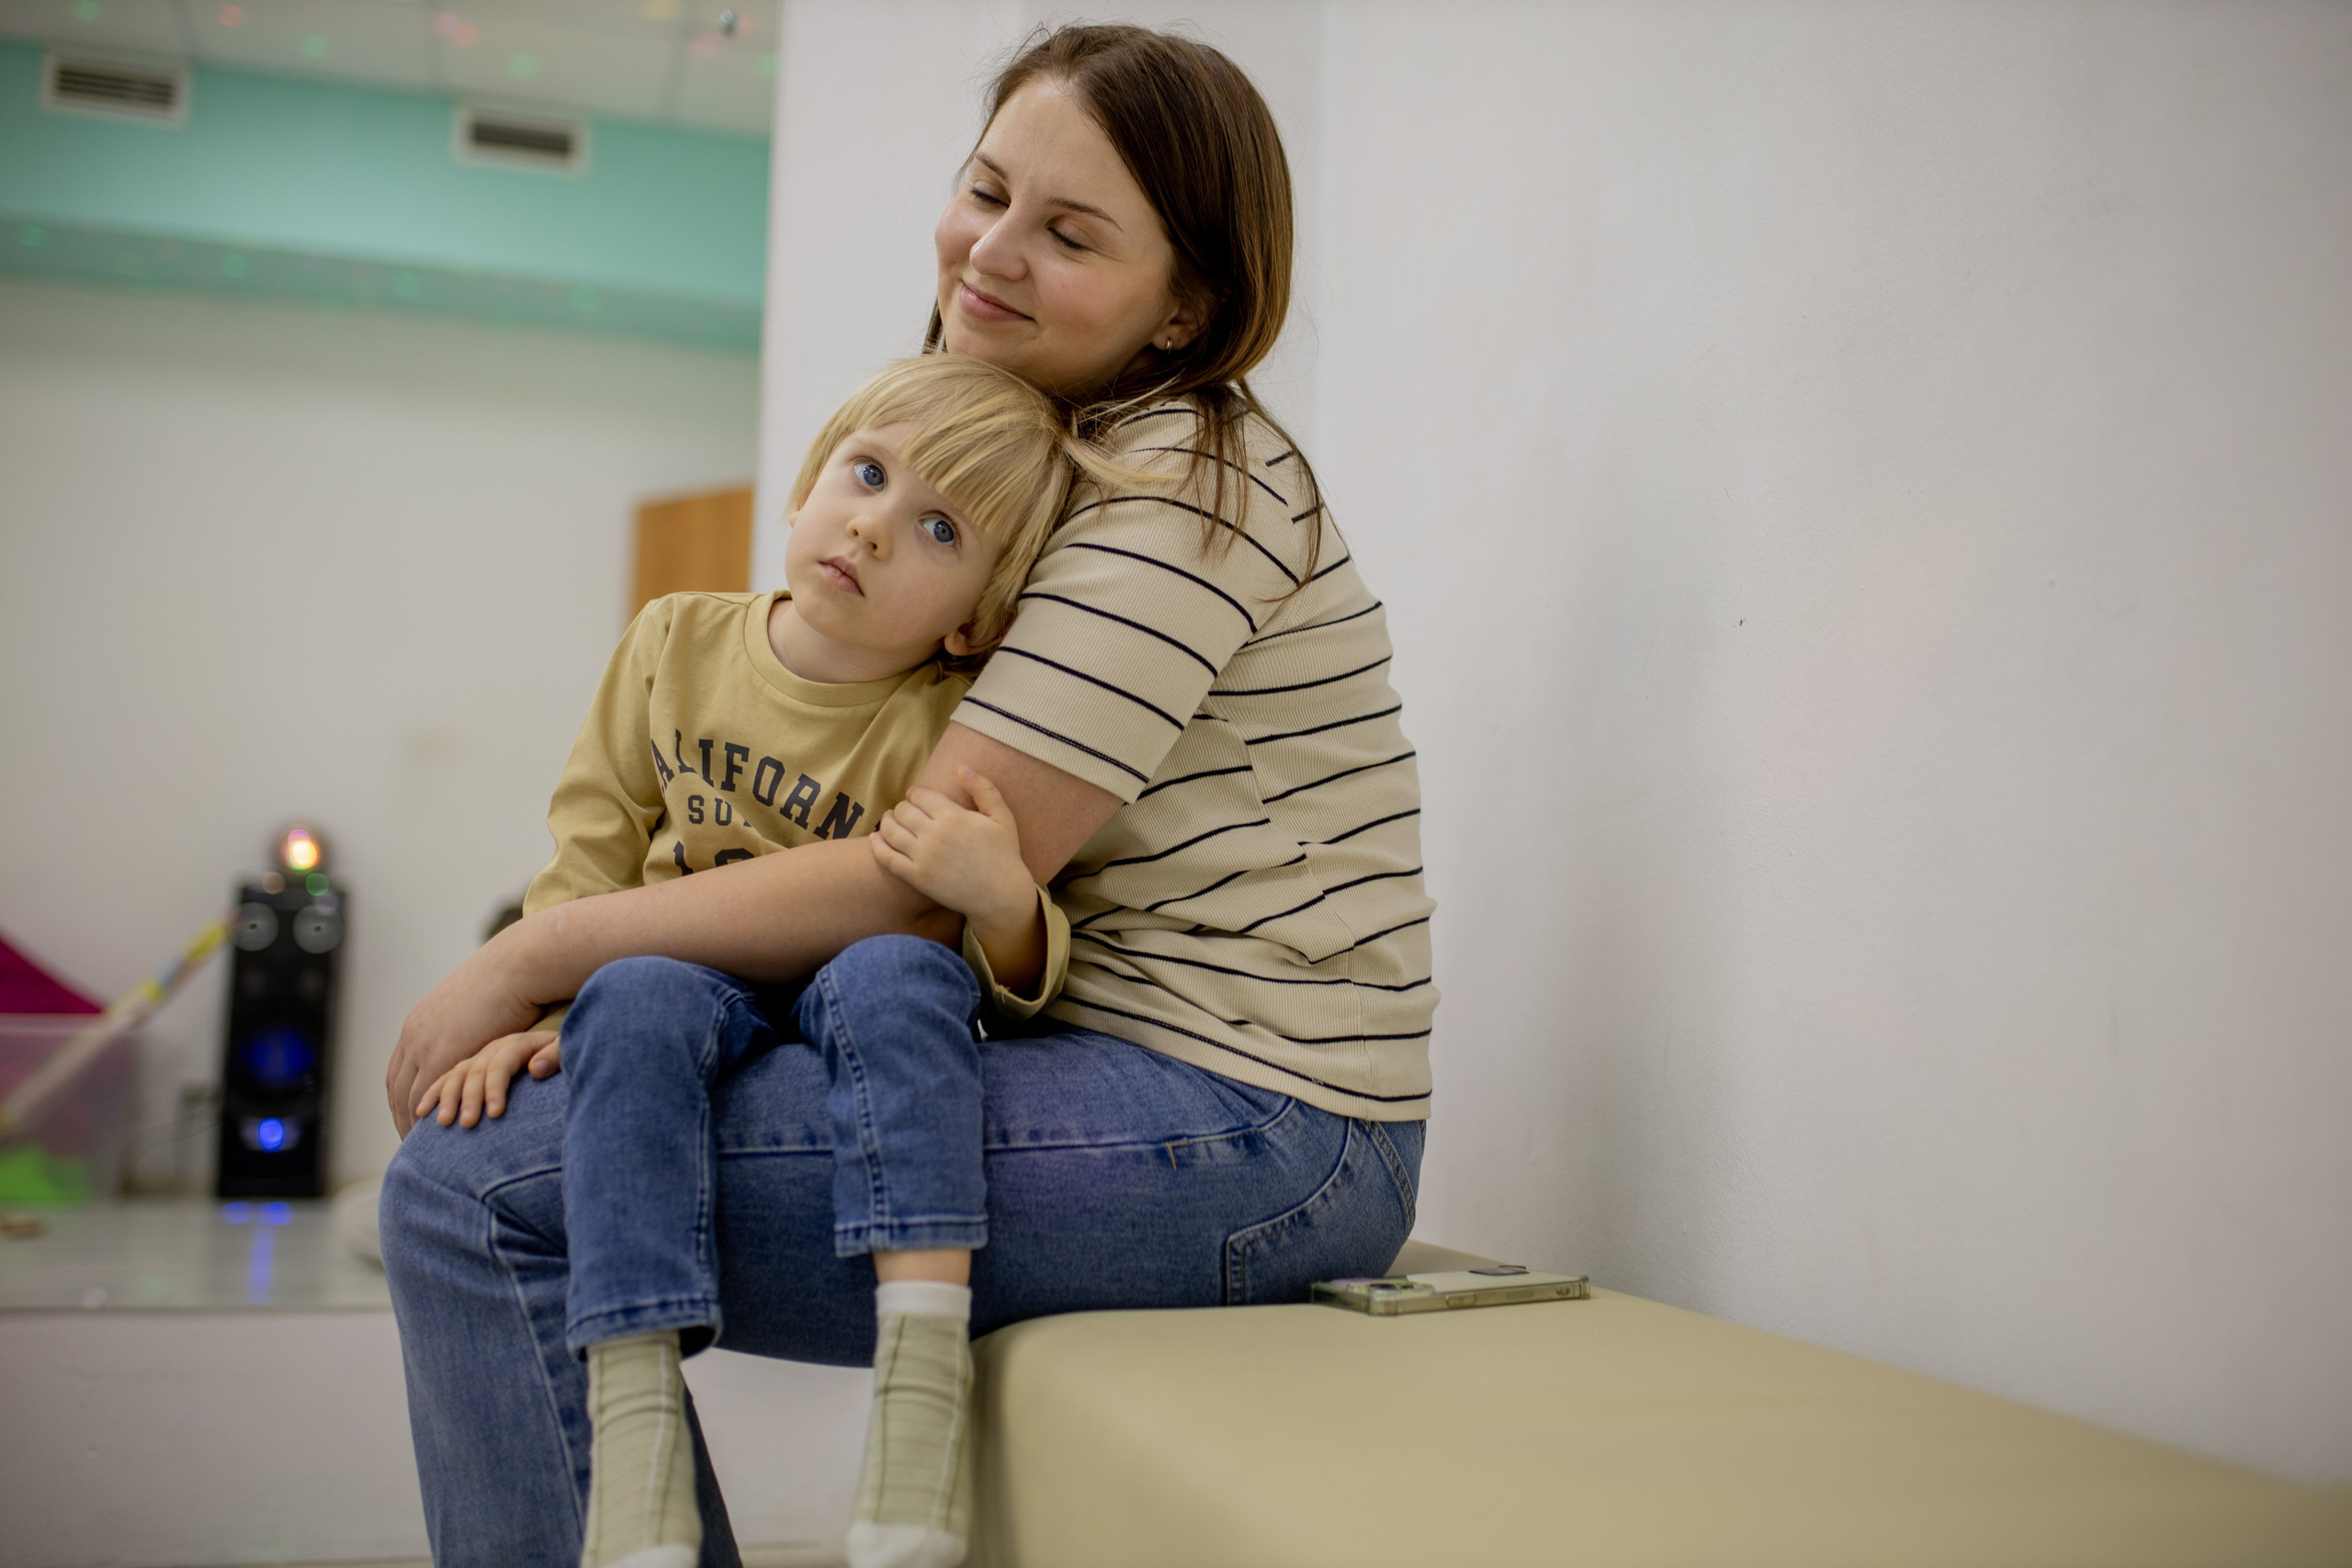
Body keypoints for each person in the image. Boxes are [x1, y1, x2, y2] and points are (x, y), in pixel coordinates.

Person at [379, 24, 1436, 1568]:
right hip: (1119, 1062)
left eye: (1069, 234)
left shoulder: (1182, 491)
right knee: (563, 1108)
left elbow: (913, 876)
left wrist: (529, 959)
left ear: (1187, 304)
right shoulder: (1047, 454)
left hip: (1271, 1129)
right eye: (988, 191)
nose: (991, 254)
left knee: (477, 1188)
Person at [407, 354, 1105, 1568]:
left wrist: (1005, 901)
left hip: (855, 999)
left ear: (973, 615)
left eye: (938, 527)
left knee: (900, 975)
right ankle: (633, 1431)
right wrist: (541, 1005)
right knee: (632, 990)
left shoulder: (952, 721)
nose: (875, 529)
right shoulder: (673, 643)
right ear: (806, 483)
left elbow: (1010, 977)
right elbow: (592, 846)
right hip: (687, 986)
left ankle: (921, 1381)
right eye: (868, 473)